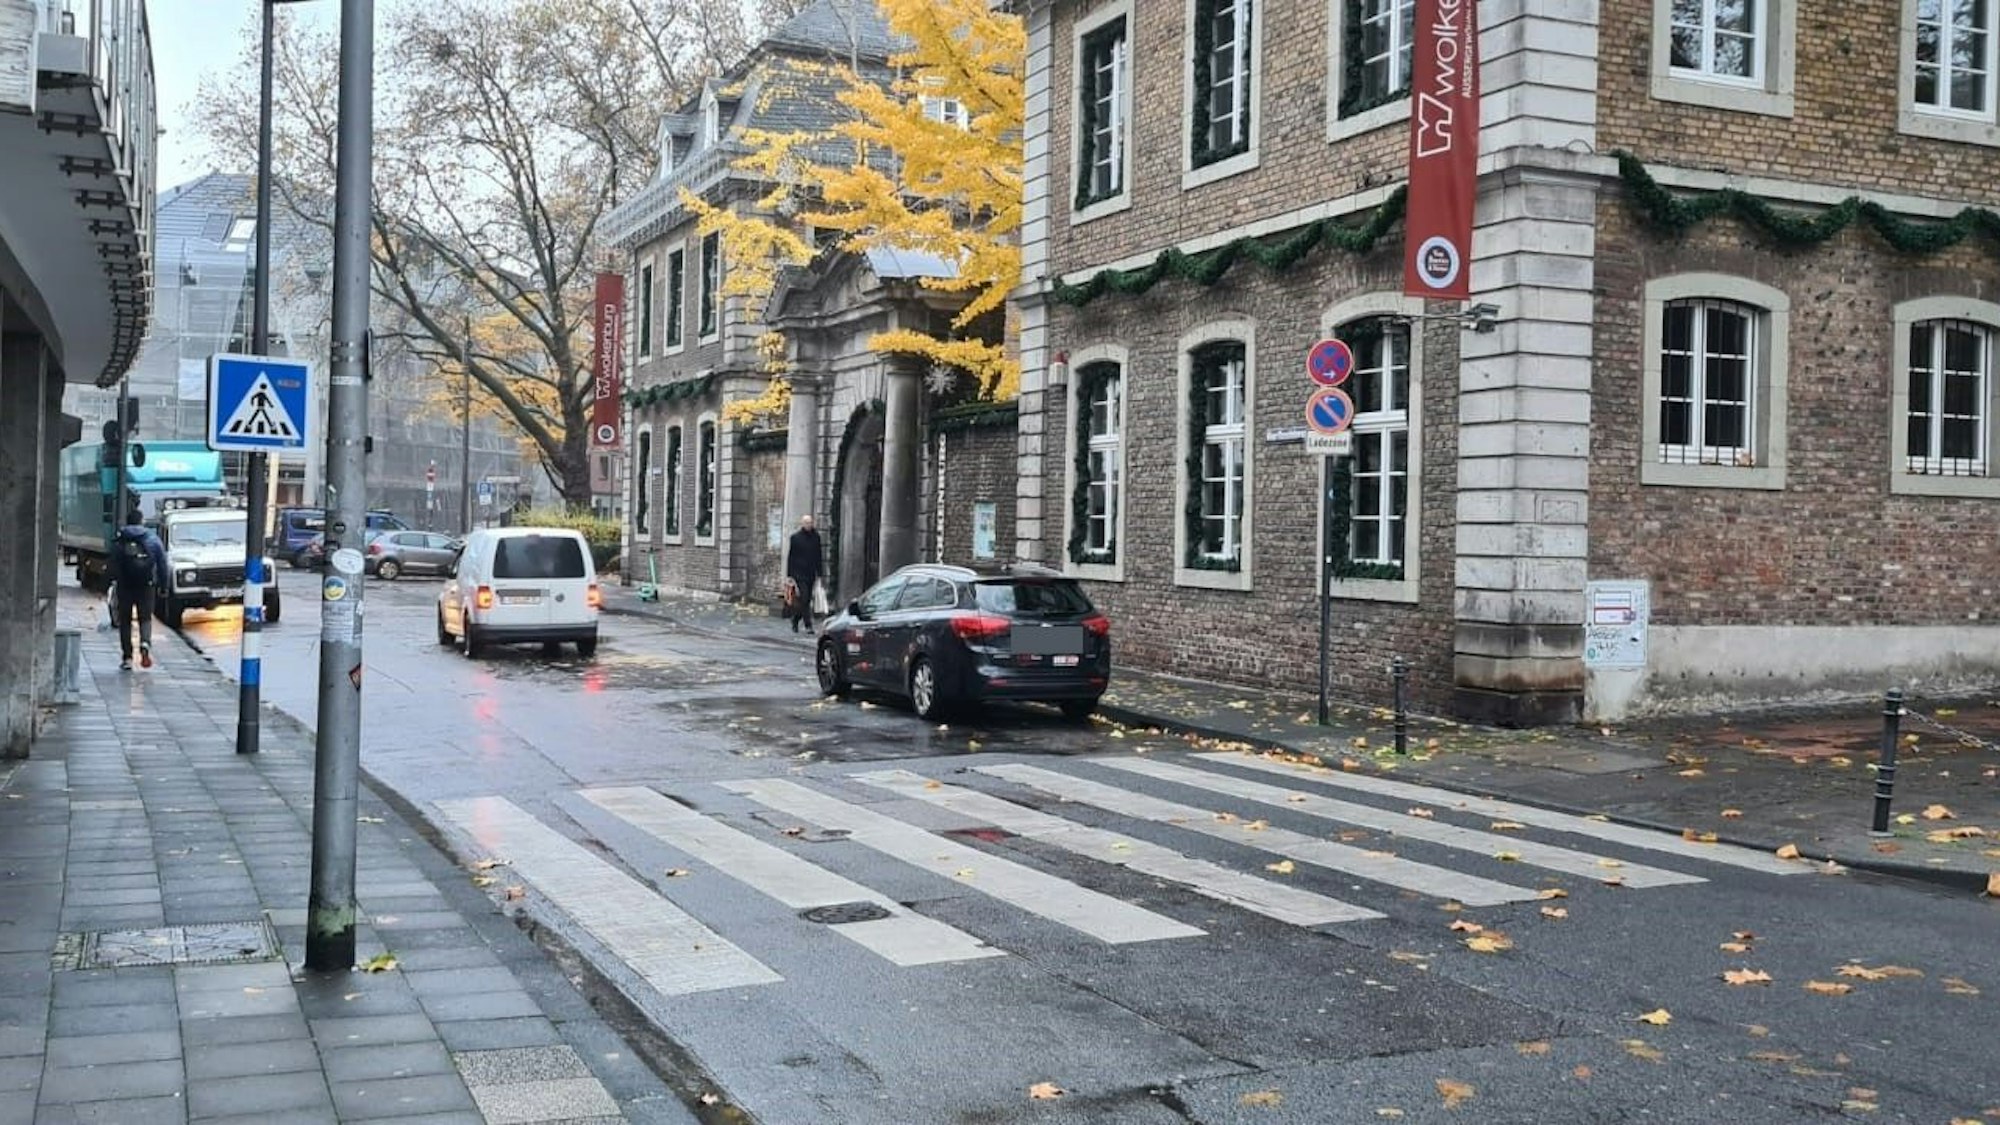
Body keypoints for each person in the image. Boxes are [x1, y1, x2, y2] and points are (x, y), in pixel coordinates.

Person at [110, 508, 169, 671]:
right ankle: (145, 643)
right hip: (146, 585)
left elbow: (112, 563)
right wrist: (163, 586)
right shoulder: (152, 539)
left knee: (125, 621)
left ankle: (127, 657)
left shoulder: (120, 539)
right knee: (145, 617)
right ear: (141, 521)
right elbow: (162, 564)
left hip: (125, 586)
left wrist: (109, 583)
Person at [784, 514, 826, 633]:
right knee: (805, 596)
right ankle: (808, 625)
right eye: (806, 523)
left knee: (806, 601)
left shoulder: (816, 537)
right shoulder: (795, 538)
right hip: (799, 574)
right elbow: (791, 557)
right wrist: (790, 575)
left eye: (810, 522)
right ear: (802, 524)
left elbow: (818, 556)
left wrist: (820, 573)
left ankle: (796, 619)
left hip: (810, 573)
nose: (809, 525)